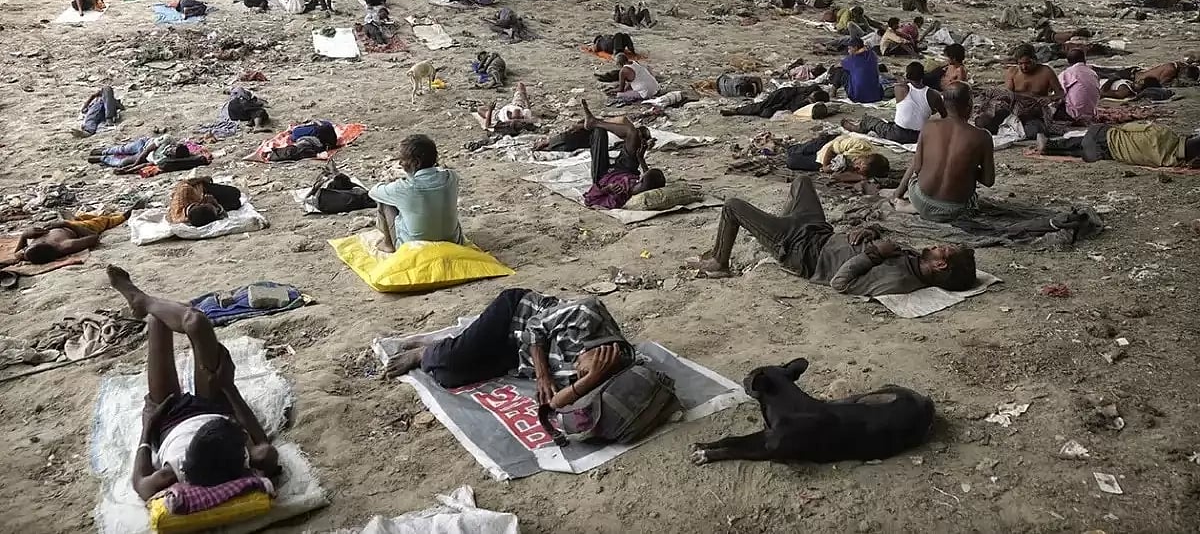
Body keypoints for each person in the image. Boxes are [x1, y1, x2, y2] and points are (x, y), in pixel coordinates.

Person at [106, 266, 280, 501]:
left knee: (158, 322)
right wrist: (228, 386)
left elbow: (140, 484)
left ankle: (144, 302)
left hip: (168, 419)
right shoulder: (255, 460)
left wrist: (147, 427)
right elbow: (262, 442)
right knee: (196, 322)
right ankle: (150, 302)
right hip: (216, 406)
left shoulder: (174, 472)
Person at [687, 176, 977, 292]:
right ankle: (780, 223)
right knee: (802, 182)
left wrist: (873, 253)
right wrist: (870, 229)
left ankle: (719, 263)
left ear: (940, 265)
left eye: (944, 251)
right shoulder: (915, 261)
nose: (939, 246)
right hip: (818, 232)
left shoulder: (900, 279)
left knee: (733, 206)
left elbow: (840, 282)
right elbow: (879, 244)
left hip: (802, 251)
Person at [382, 287, 632, 411]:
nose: (575, 370)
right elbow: (535, 327)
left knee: (448, 377)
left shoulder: (594, 374)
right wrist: (543, 375)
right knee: (451, 357)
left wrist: (588, 381)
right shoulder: (588, 314)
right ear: (600, 350)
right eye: (582, 367)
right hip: (516, 315)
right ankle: (422, 351)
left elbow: (555, 404)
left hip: (519, 354)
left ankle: (439, 348)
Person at [893, 83, 995, 223]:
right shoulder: (983, 136)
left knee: (918, 159)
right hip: (955, 210)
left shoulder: (929, 126)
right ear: (969, 105)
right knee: (969, 199)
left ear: (943, 104)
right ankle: (920, 208)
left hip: (920, 199)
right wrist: (966, 166)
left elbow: (917, 168)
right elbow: (989, 181)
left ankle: (902, 199)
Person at [368, 134, 463, 254]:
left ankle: (388, 244)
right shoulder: (452, 177)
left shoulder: (403, 188)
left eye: (403, 159)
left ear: (416, 163)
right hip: (453, 241)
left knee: (384, 202)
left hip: (415, 249)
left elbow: (373, 192)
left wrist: (391, 181)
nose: (401, 163)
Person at [581, 101, 665, 210]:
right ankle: (595, 122)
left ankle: (595, 123)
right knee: (633, 134)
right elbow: (646, 178)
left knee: (599, 133)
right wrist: (640, 158)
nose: (641, 176)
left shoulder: (620, 195)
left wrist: (606, 190)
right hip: (626, 170)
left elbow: (589, 200)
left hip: (603, 176)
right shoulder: (640, 186)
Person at [842, 62, 945, 144]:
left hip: (897, 134)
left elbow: (903, 86)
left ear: (907, 75)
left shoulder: (899, 89)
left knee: (869, 120)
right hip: (919, 136)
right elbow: (944, 114)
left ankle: (853, 128)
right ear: (923, 75)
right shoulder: (934, 95)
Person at [1036, 122, 1200, 168]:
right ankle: (1055, 150)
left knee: (1098, 135)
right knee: (1081, 151)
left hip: (1099, 137)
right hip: (1098, 157)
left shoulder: (1162, 132)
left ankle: (1050, 144)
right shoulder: (1168, 161)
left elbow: (1126, 128)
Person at [13, 211, 129, 264]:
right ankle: (124, 216)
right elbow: (93, 237)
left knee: (82, 215)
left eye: (25, 249)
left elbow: (16, 253)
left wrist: (24, 236)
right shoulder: (65, 246)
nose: (23, 250)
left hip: (61, 225)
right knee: (101, 221)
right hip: (74, 228)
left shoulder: (30, 253)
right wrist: (66, 224)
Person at [784, 133, 890, 179]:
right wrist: (825, 166)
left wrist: (860, 176)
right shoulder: (860, 146)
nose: (857, 165)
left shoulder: (864, 171)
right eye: (861, 163)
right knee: (792, 150)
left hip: (823, 160)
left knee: (791, 161)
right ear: (867, 156)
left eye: (859, 169)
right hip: (828, 145)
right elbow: (831, 149)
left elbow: (836, 176)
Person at [89, 134, 189, 173]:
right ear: (175, 145)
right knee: (124, 149)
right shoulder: (168, 139)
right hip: (144, 145)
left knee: (122, 163)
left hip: (146, 158)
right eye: (172, 149)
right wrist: (134, 164)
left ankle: (102, 158)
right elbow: (147, 151)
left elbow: (147, 164)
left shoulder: (166, 160)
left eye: (172, 153)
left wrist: (128, 170)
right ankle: (104, 151)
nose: (170, 151)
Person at [166, 177, 243, 226]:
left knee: (235, 193)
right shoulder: (189, 219)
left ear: (200, 204)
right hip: (203, 198)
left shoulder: (184, 192)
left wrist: (202, 179)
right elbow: (224, 216)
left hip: (202, 188)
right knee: (236, 204)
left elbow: (184, 182)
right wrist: (215, 204)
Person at [1057, 49, 1100, 123]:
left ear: (1069, 62)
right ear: (1084, 59)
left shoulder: (1066, 73)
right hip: (1092, 112)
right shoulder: (1092, 73)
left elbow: (1059, 94)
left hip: (1074, 114)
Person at [837, 37, 883, 103]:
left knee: (840, 71)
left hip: (858, 97)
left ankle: (833, 91)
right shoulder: (873, 55)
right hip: (876, 96)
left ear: (855, 48)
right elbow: (868, 49)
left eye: (849, 49)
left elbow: (838, 65)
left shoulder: (851, 59)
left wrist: (855, 54)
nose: (848, 51)